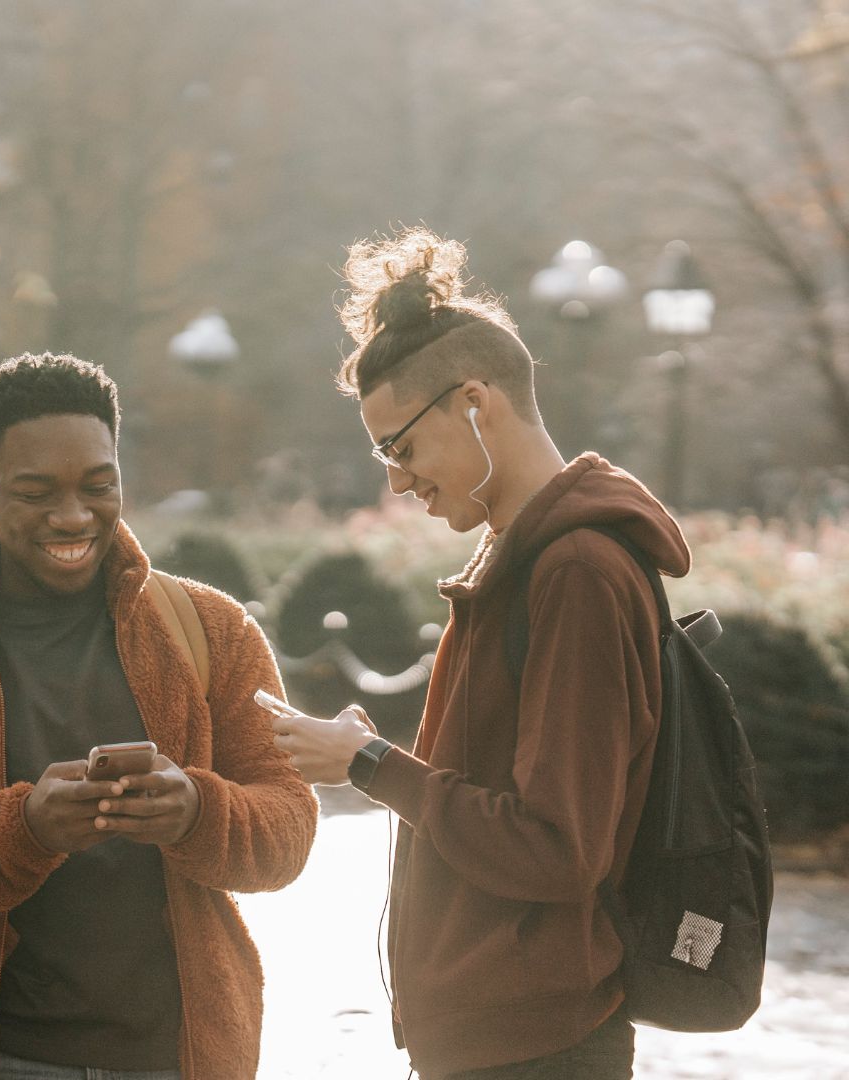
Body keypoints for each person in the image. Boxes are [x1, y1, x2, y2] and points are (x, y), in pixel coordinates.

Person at [268, 229, 690, 1079]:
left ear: (474, 402)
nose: (396, 480)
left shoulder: (575, 570)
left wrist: (371, 765)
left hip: (536, 1046)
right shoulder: (523, 557)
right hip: (502, 1037)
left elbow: (557, 848)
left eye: (400, 447)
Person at [0, 354, 319, 1080]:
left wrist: (196, 809)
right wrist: (22, 830)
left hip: (177, 1055)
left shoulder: (211, 630)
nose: (73, 516)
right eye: (36, 492)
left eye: (99, 486)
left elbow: (288, 827)